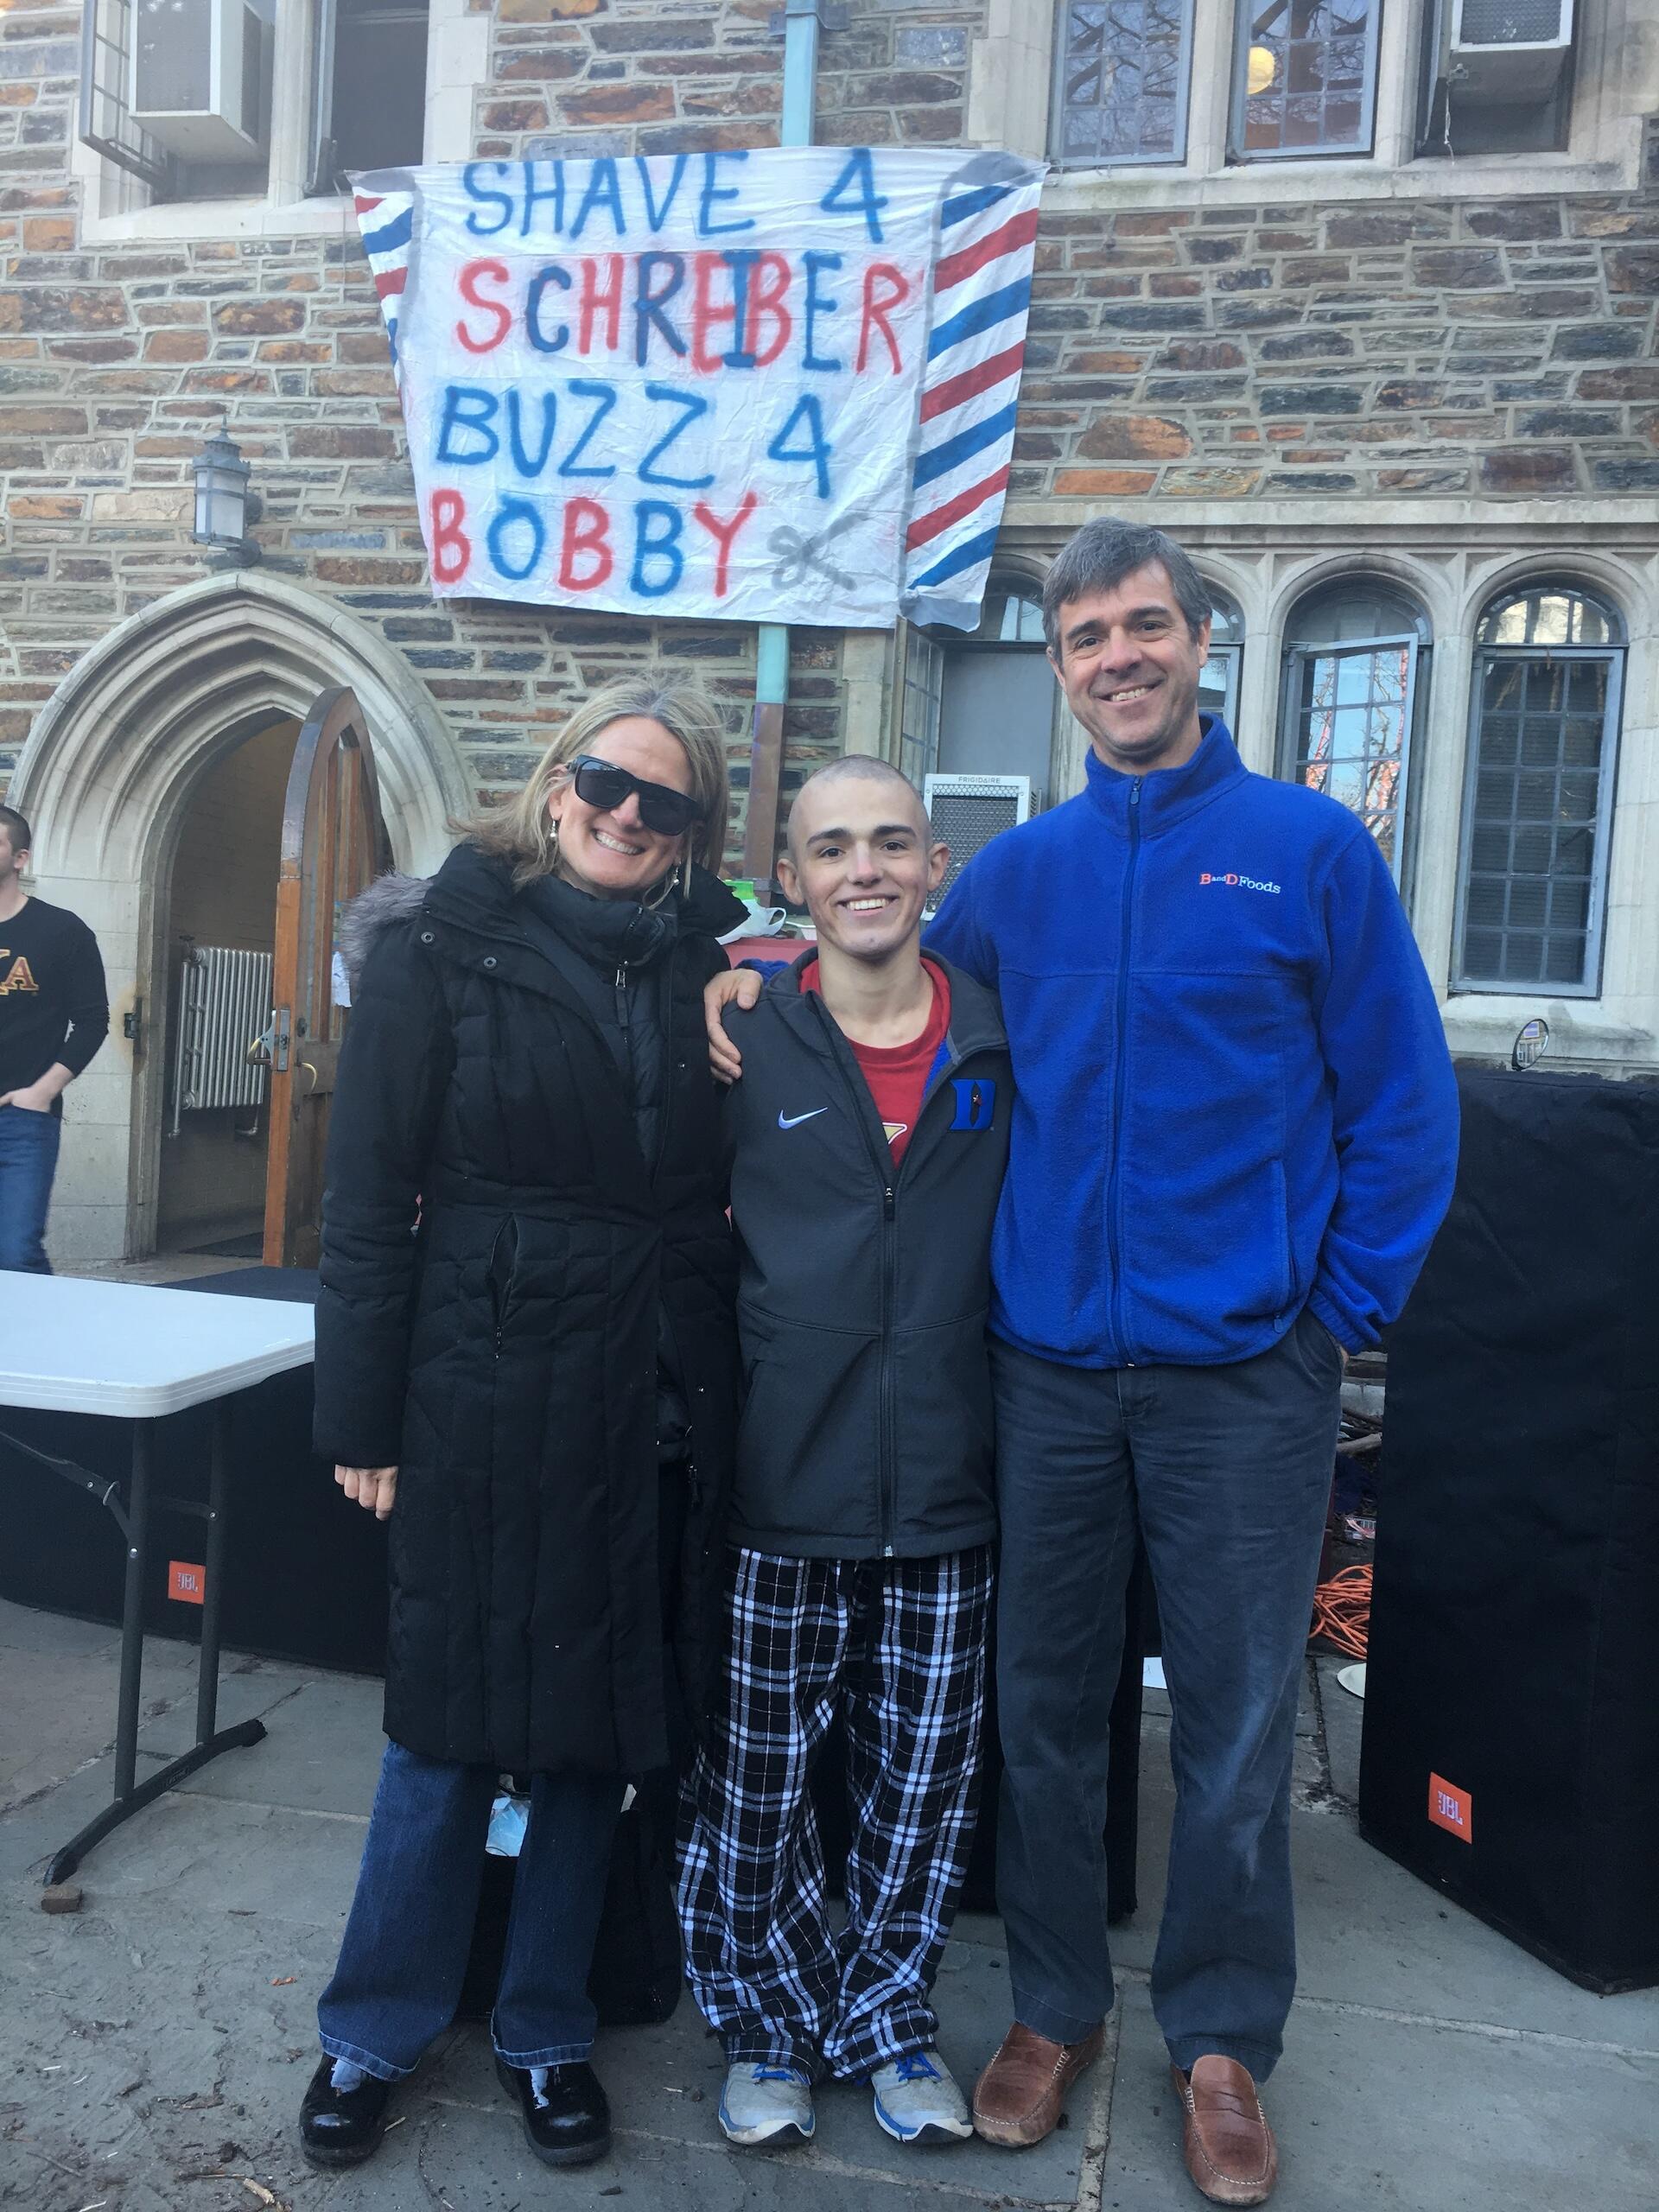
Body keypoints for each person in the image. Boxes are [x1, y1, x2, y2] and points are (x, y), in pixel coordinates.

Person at [708, 521, 1459, 2207]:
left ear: (1198, 641)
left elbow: (1404, 1106)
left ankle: (1220, 2037)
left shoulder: (1307, 853)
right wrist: (744, 974)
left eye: (1144, 625)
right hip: (1042, 1371)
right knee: (1041, 1714)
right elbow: (878, 987)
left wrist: (1328, 1309)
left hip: (1246, 1378)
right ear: (1059, 668)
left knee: (1237, 1724)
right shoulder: (1015, 879)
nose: (1119, 655)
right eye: (1086, 637)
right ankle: (1055, 2005)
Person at [298, 676, 745, 2175]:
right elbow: (368, 1200)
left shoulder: (707, 970)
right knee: (445, 1723)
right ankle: (373, 2030)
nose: (627, 814)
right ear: (559, 783)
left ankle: (548, 2028)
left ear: (692, 830)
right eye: (606, 782)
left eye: (663, 801)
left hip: (644, 1393)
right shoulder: (440, 945)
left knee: (589, 1737)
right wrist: (361, 1414)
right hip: (480, 1382)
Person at [678, 757, 1011, 2152]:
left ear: (935, 865)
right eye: (831, 849)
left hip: (947, 1482)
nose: (863, 869)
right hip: (783, 1477)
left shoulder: (1001, 1039)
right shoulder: (748, 1035)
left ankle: (886, 2019)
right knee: (758, 1782)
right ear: (793, 880)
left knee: (920, 1786)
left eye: (889, 842)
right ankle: (766, 2021)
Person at [0, 804, 109, 1274]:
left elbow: (93, 1021)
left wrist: (42, 1093)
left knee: (16, 1253)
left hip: (20, 1120)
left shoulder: (63, 931)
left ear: (20, 858)